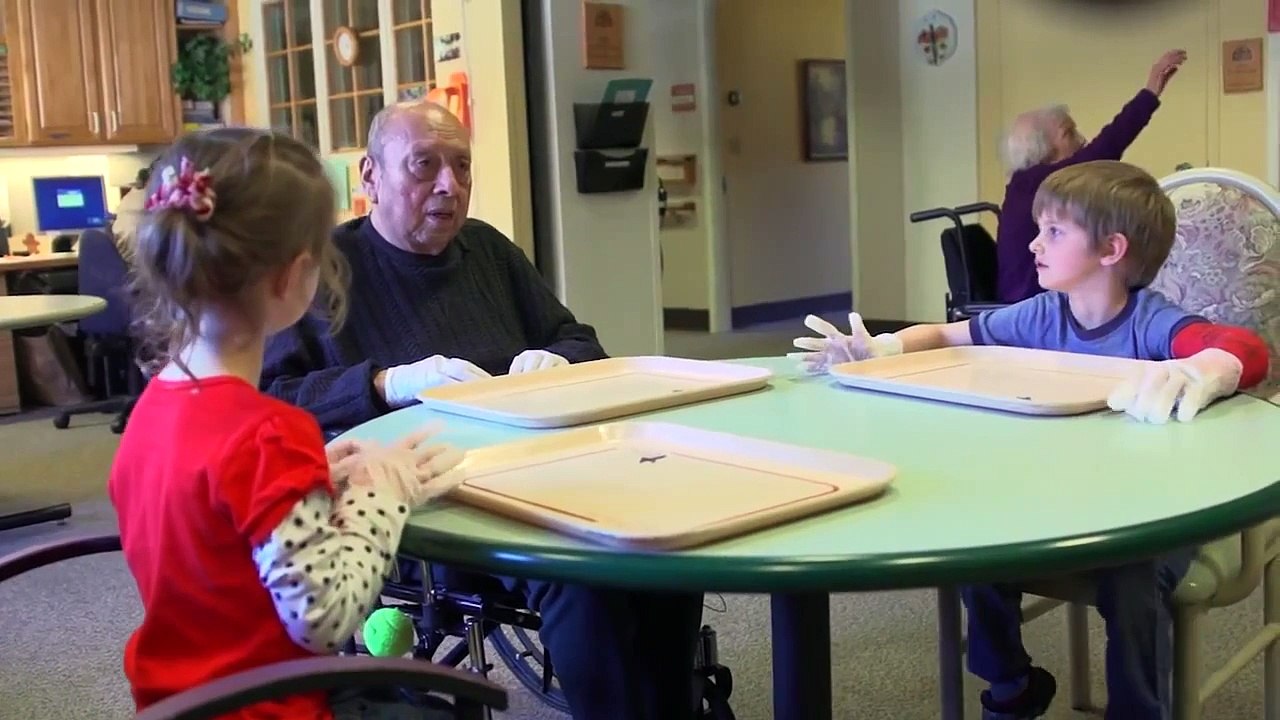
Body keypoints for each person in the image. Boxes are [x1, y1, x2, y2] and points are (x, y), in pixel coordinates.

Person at [261, 100, 705, 720]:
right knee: (577, 571)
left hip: (544, 466)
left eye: (462, 166)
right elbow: (273, 399)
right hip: (421, 499)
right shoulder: (322, 271)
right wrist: (384, 383)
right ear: (371, 176)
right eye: (424, 165)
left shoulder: (488, 251)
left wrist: (557, 358)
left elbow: (579, 340)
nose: (450, 185)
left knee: (665, 534)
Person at [792, 160, 1270, 719]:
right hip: (1055, 501)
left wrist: (1209, 366)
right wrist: (881, 349)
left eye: (1054, 232)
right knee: (975, 548)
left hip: (1147, 513)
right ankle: (1011, 685)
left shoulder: (1150, 322)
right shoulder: (1043, 315)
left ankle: (1138, 710)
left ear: (1111, 249)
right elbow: (946, 333)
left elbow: (1244, 348)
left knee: (1132, 584)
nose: (1033, 244)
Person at [109, 128, 469, 719]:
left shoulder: (153, 409)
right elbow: (325, 619)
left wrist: (308, 476)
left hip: (176, 704)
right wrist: (384, 496)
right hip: (269, 707)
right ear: (292, 276)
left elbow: (208, 517)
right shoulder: (268, 433)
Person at [995, 49, 1187, 304]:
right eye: (1069, 133)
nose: (1082, 141)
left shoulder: (1027, 184)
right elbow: (1107, 146)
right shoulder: (1037, 183)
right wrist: (1150, 92)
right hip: (1032, 301)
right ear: (1043, 149)